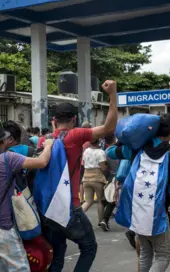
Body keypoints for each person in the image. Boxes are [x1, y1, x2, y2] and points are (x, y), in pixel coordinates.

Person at [43, 80, 118, 272]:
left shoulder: (46, 140)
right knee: (89, 247)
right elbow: (109, 128)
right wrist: (112, 95)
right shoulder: (75, 135)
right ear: (74, 119)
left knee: (58, 253)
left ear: (54, 120)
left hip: (48, 208)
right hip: (69, 206)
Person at [0, 120, 54, 271]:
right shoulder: (7, 158)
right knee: (20, 268)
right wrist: (48, 145)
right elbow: (42, 162)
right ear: (3, 140)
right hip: (3, 227)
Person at [116, 113, 170, 272]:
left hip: (137, 210)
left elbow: (112, 152)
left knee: (146, 253)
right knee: (163, 255)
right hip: (156, 213)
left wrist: (125, 139)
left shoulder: (136, 149)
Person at [81, 139, 108, 227]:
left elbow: (84, 163)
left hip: (86, 177)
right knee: (100, 201)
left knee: (88, 201)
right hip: (97, 178)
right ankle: (101, 221)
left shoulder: (86, 151)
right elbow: (103, 168)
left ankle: (76, 218)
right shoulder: (101, 152)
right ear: (99, 142)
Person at [100, 134, 119, 232]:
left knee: (111, 198)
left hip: (111, 175)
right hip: (120, 176)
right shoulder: (118, 150)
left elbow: (104, 167)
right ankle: (105, 219)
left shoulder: (105, 152)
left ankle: (105, 219)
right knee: (113, 199)